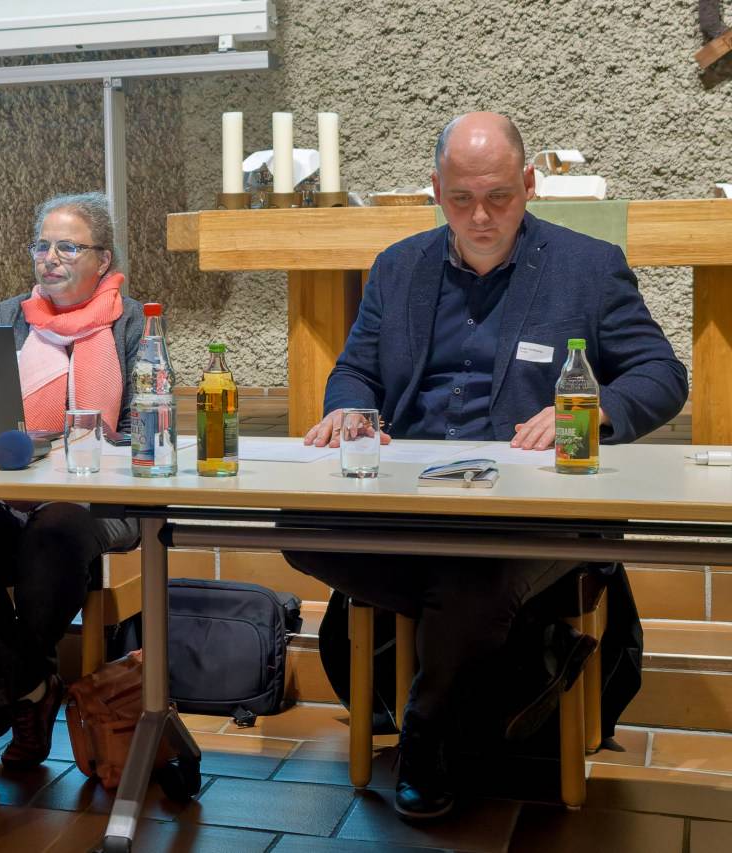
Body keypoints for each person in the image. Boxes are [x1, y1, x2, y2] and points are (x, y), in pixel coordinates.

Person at [284, 112, 687, 819]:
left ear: (529, 184)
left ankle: (428, 738)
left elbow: (661, 374)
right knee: (298, 527)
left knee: (476, 571)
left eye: (499, 196)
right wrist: (350, 408)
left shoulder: (587, 267)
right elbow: (355, 371)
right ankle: (493, 642)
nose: (480, 217)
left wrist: (592, 412)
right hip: (413, 499)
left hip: (535, 507)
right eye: (461, 198)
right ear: (435, 189)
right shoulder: (398, 267)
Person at [0, 192, 143, 767]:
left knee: (55, 529)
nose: (50, 258)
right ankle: (30, 687)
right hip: (11, 491)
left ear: (102, 259)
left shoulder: (133, 320)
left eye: (68, 247)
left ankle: (11, 691)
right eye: (42, 245)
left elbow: (145, 423)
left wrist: (84, 458)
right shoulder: (10, 316)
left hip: (103, 496)